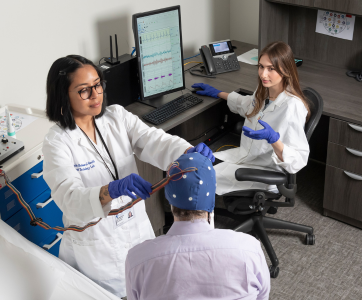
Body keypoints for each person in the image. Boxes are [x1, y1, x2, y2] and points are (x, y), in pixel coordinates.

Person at [42, 54, 215, 297]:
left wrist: (187, 152)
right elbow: (69, 199)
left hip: (135, 229)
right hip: (98, 246)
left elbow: (154, 141)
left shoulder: (116, 117)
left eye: (98, 85)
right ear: (63, 95)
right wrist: (110, 190)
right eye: (84, 90)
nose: (95, 95)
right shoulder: (57, 142)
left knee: (146, 285)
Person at [125, 153, 271, 300]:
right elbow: (262, 296)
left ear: (169, 199)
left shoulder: (137, 260)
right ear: (212, 198)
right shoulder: (249, 249)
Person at [192, 41, 311, 195]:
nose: (263, 74)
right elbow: (248, 105)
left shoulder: (292, 106)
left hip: (263, 173)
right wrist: (217, 93)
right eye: (261, 66)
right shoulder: (265, 91)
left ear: (285, 70)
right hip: (245, 157)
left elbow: (299, 159)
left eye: (271, 69)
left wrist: (273, 140)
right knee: (195, 165)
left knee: (196, 181)